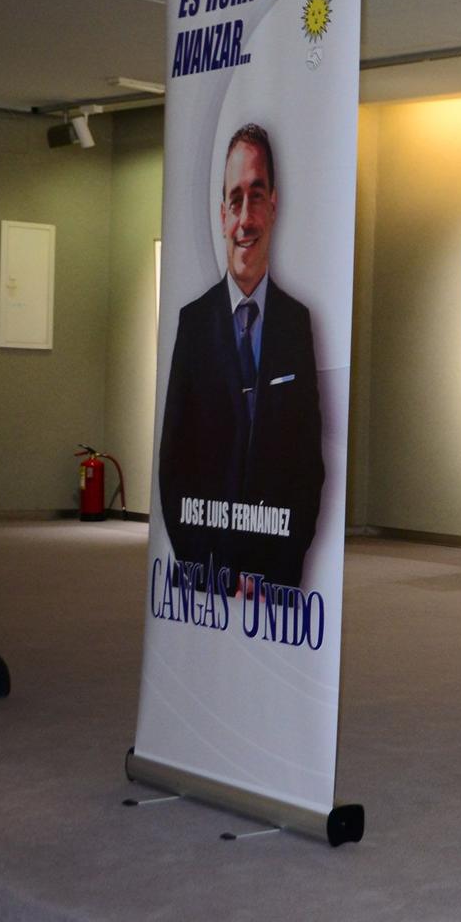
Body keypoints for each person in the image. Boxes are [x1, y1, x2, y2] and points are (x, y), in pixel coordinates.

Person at [158, 123, 323, 596]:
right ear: (221, 215)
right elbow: (173, 467)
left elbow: (308, 467)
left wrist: (278, 567)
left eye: (256, 195)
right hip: (206, 578)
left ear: (274, 204)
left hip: (275, 577)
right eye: (235, 199)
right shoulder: (193, 325)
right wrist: (205, 570)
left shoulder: (296, 323)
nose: (246, 218)